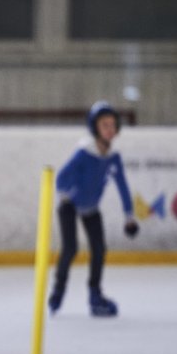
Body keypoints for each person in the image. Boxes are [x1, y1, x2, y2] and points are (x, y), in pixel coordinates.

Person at [49, 101, 138, 317]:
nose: (109, 129)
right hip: (69, 206)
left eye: (112, 125)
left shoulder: (113, 157)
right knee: (70, 249)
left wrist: (129, 216)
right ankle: (58, 290)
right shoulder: (84, 152)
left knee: (99, 250)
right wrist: (69, 196)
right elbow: (61, 178)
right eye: (104, 125)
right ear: (94, 128)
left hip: (91, 208)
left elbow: (123, 186)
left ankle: (95, 295)